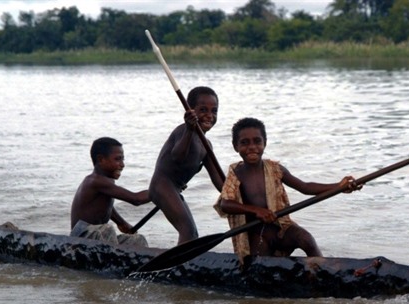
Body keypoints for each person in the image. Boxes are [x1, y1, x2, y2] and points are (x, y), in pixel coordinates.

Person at [216, 117, 361, 263]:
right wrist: (256, 210)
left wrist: (338, 187)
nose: (252, 147)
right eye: (244, 143)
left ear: (264, 143)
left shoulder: (275, 169)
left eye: (257, 141)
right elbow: (225, 204)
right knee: (260, 264)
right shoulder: (236, 172)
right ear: (235, 146)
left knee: (306, 239)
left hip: (279, 229)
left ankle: (323, 270)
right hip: (256, 233)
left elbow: (305, 187)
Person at [149, 86, 225, 245]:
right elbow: (177, 156)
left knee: (193, 234)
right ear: (190, 111)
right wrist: (190, 130)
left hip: (175, 190)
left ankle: (182, 260)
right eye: (203, 110)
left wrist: (237, 196)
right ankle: (178, 267)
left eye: (214, 111)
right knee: (187, 231)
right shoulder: (183, 131)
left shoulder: (206, 145)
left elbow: (218, 179)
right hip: (162, 185)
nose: (209, 116)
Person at [70, 137, 150, 246]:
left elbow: (106, 205)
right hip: (81, 237)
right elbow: (136, 199)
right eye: (117, 159)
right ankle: (113, 260)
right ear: (101, 159)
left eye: (123, 159)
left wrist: (121, 223)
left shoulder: (107, 181)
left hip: (99, 236)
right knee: (106, 230)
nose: (122, 164)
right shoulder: (95, 181)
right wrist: (161, 192)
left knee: (137, 239)